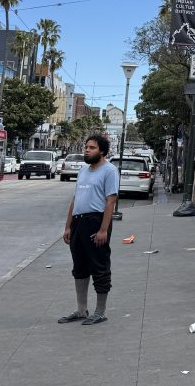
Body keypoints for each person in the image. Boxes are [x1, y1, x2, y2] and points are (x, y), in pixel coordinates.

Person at [58, 134, 119, 325]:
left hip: (96, 221)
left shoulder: (109, 171)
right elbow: (75, 199)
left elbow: (111, 201)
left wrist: (103, 229)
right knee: (80, 267)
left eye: (91, 147)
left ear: (102, 151)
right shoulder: (84, 171)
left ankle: (100, 311)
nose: (87, 150)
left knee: (99, 266)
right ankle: (81, 309)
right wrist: (68, 226)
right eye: (86, 147)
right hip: (78, 222)